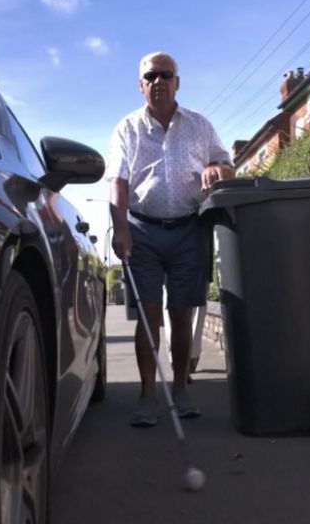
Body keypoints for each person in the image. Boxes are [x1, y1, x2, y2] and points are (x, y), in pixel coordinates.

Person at [106, 51, 235, 427]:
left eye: (166, 75)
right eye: (151, 76)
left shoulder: (199, 125)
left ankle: (180, 389)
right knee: (148, 317)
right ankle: (148, 395)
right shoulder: (126, 129)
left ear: (178, 81)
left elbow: (227, 163)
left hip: (189, 230)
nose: (158, 82)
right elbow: (117, 181)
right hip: (142, 230)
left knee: (181, 315)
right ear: (141, 85)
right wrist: (121, 227)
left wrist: (217, 167)